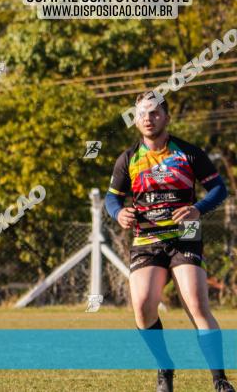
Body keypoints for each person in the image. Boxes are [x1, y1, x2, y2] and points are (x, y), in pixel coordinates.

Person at [106, 91, 233, 392]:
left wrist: (197, 209)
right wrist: (118, 213)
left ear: (166, 117)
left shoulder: (189, 153)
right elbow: (112, 198)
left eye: (154, 113)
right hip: (147, 237)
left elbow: (219, 189)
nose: (148, 119)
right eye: (142, 114)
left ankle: (220, 379)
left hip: (185, 235)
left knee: (197, 304)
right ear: (135, 120)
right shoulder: (128, 159)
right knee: (142, 307)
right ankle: (165, 368)